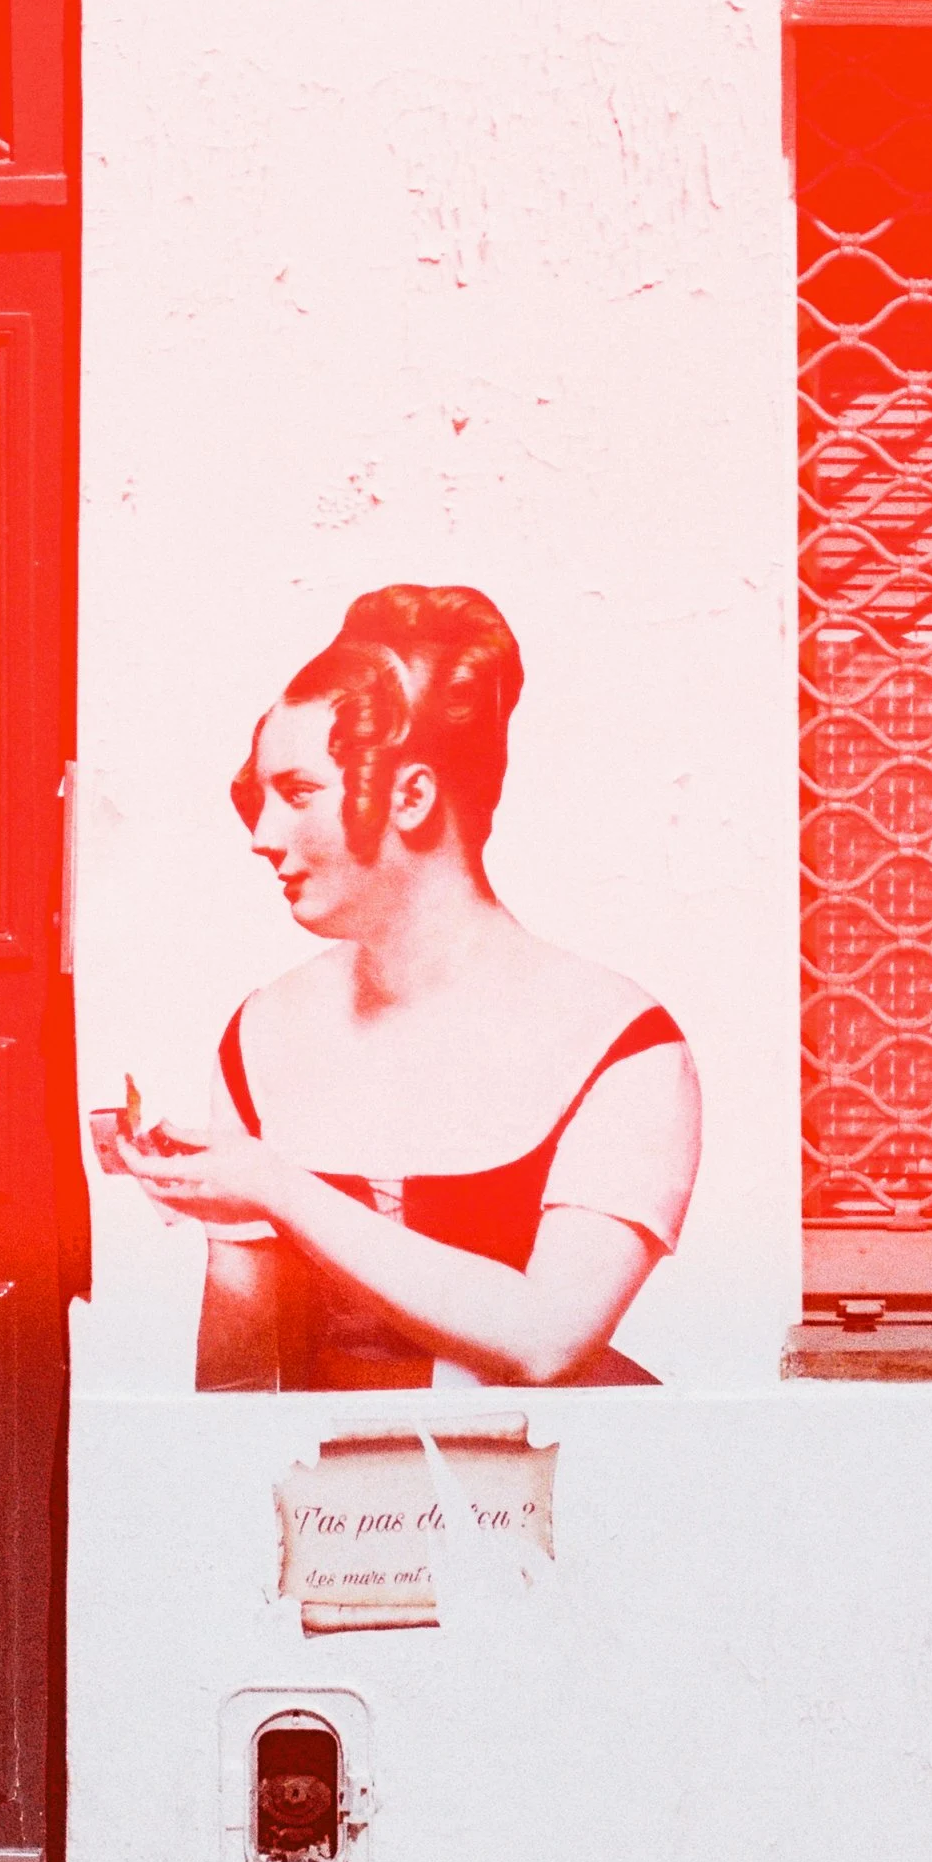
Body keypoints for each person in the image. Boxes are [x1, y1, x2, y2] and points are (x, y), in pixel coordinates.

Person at [96, 585, 699, 1389]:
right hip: (328, 1513)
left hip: (547, 1499)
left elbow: (548, 1339)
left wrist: (274, 1185)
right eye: (258, 797)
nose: (262, 837)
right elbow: (237, 1381)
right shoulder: (264, 1029)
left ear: (413, 795)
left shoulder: (621, 1043)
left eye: (299, 792)